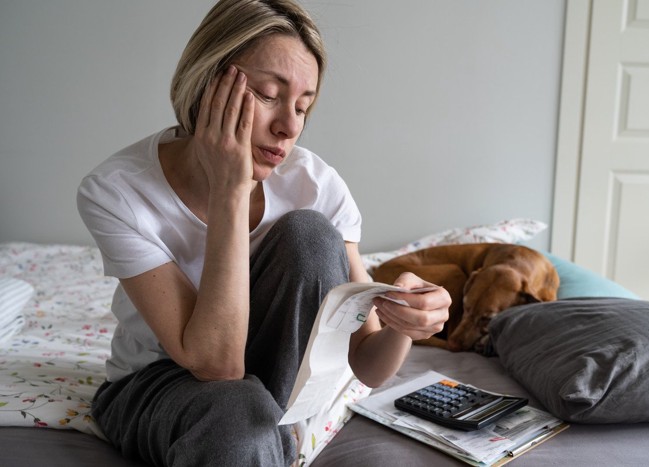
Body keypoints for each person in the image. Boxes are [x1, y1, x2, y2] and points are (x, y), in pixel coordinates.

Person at [77, 0, 451, 465]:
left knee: (309, 236)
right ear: (206, 86)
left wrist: (408, 321)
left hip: (278, 390)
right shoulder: (117, 191)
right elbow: (218, 366)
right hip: (159, 381)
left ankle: (272, 432)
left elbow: (370, 366)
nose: (289, 127)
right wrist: (230, 190)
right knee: (237, 414)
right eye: (269, 95)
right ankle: (273, 436)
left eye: (302, 106)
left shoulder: (316, 185)